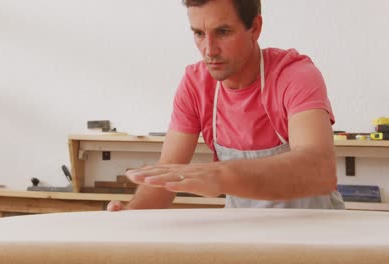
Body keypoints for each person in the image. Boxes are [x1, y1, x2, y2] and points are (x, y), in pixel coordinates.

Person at [107, 0, 345, 211]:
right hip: (243, 235)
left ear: (255, 27)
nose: (209, 50)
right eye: (199, 33)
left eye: (222, 32)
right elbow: (167, 171)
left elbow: (319, 170)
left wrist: (221, 174)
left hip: (314, 234)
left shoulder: (294, 75)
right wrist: (131, 216)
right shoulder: (195, 84)